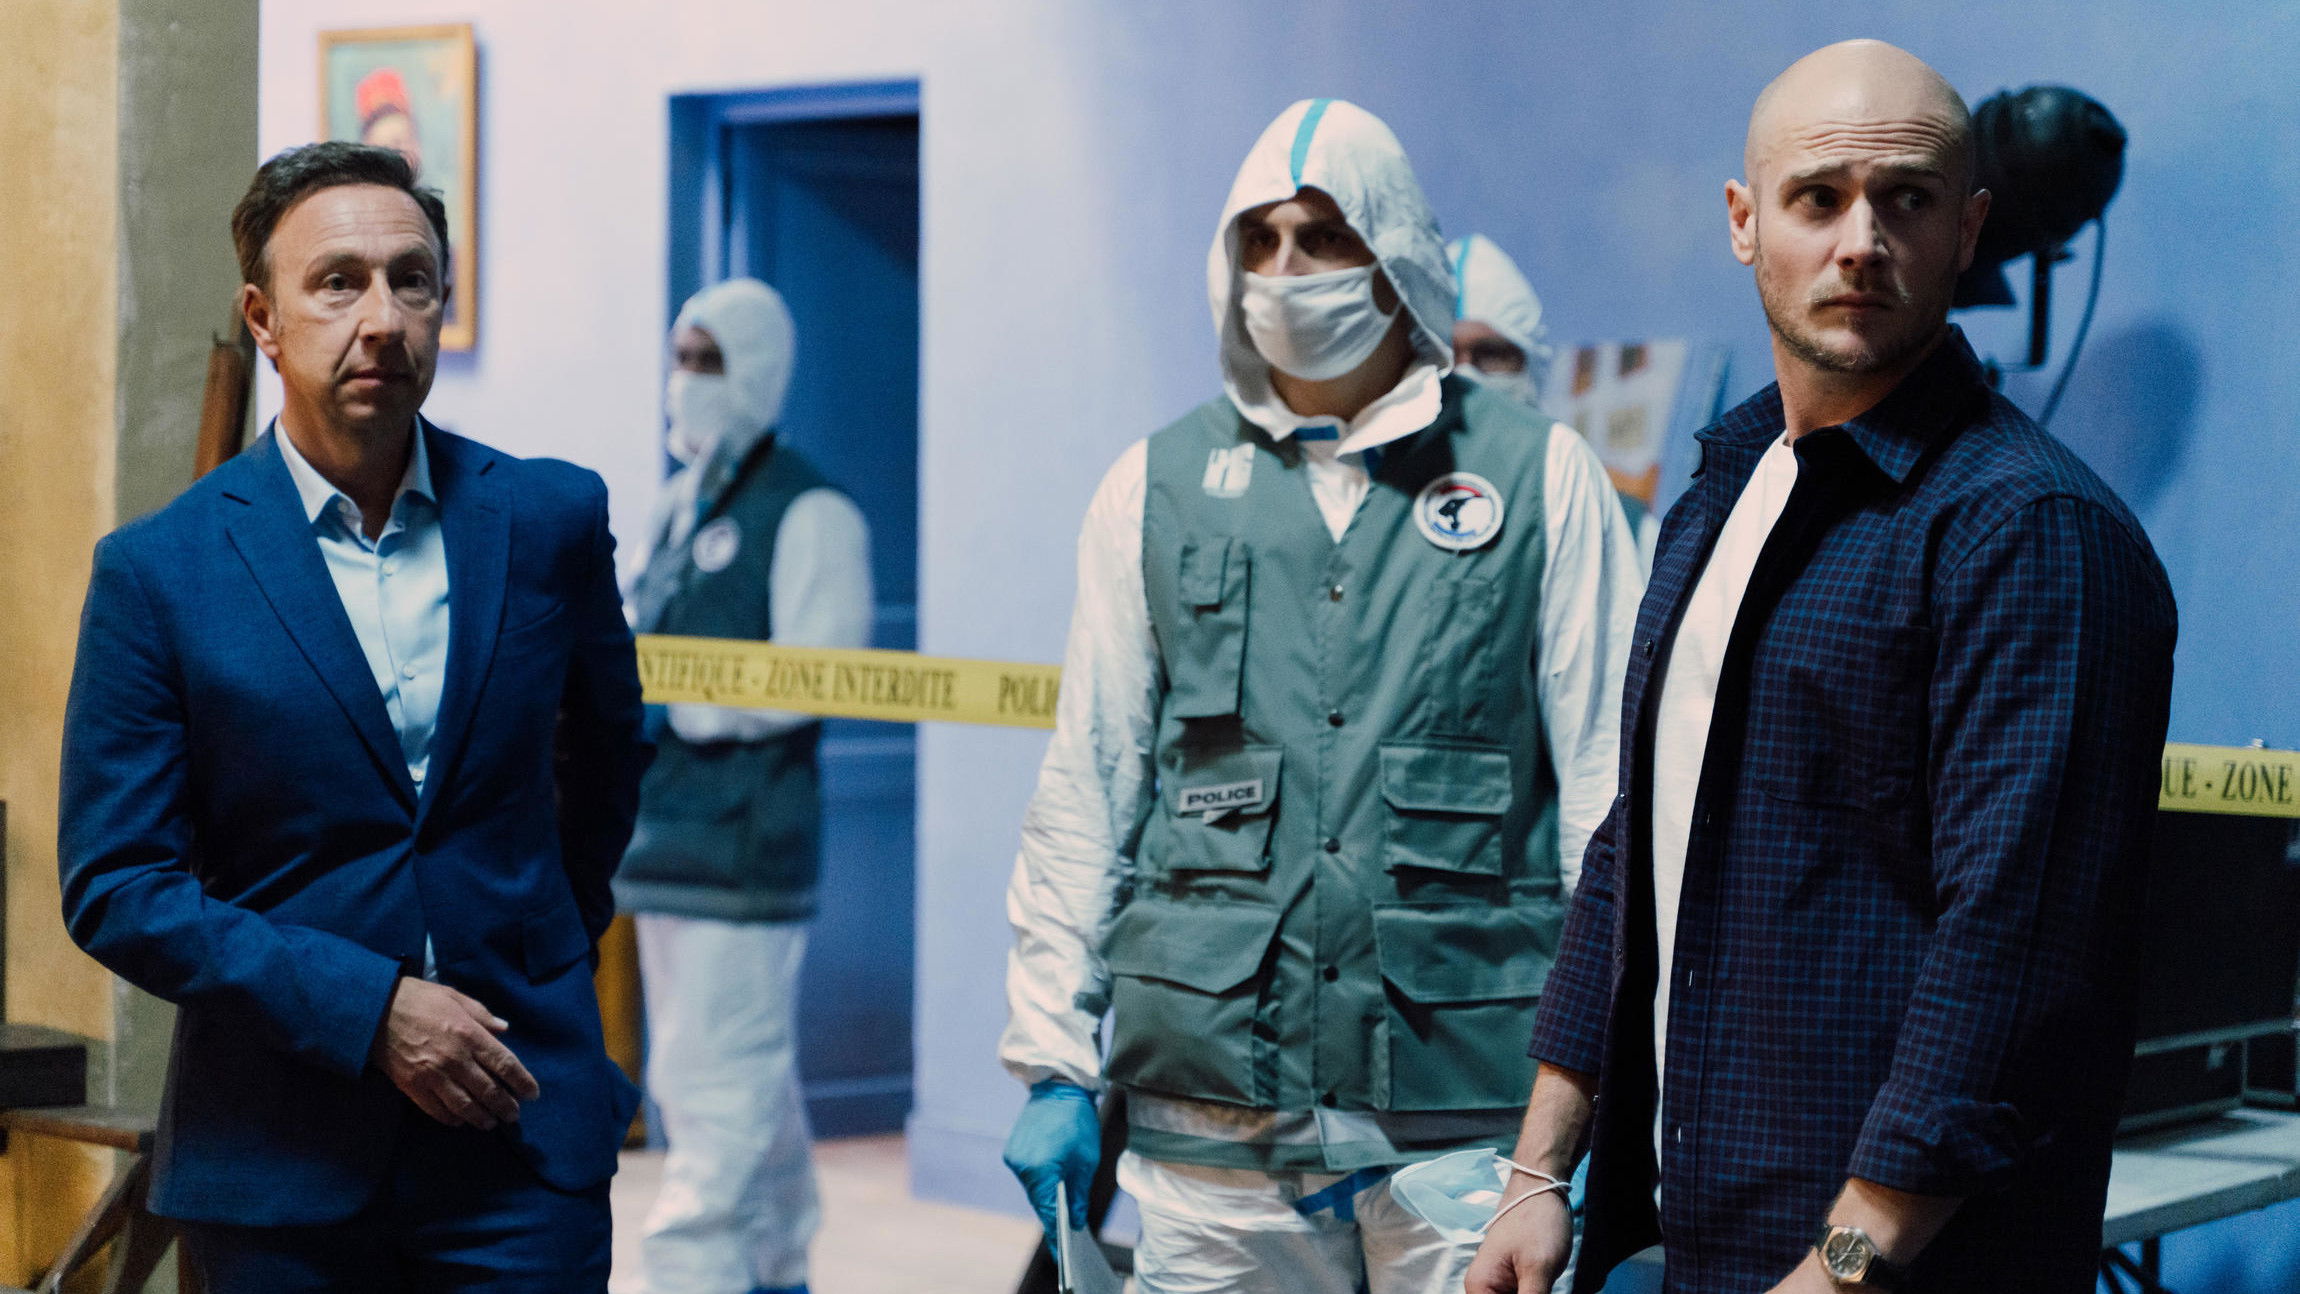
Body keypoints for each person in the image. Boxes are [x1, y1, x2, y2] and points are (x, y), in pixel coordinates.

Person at [1469, 40, 2178, 1294]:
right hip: (1687, 1234)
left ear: (1966, 231)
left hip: (1888, 1271)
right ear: (1743, 222)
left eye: (1903, 200)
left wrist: (1838, 1268)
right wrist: (1537, 1173)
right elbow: (1634, 847)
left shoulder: (2033, 532)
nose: (1860, 241)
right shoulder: (1717, 493)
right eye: (1816, 198)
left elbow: (2012, 960)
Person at [999, 99, 1640, 1294]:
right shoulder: (1154, 486)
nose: (1287, 270)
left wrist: (1595, 1101)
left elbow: (1612, 811)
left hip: (1468, 1117)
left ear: (1391, 251)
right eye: (1261, 240)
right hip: (1213, 1118)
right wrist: (1050, 1056)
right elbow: (1088, 788)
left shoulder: (1540, 479)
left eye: (1323, 237)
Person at [58, 141, 651, 1289]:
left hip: (520, 1145)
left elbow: (608, 759)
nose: (380, 318)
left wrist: (539, 938)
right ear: (264, 319)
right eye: (337, 283)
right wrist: (369, 1008)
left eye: (410, 280)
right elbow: (118, 884)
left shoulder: (549, 520)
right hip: (279, 1160)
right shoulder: (161, 571)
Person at [617, 277, 874, 1294]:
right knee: (721, 1072)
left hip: (746, 846)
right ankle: (774, 1262)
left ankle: (695, 1271)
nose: (686, 380)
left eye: (708, 360)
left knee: (717, 1081)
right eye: (679, 357)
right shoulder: (676, 504)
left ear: (758, 370)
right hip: (661, 838)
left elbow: (825, 669)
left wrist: (692, 697)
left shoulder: (810, 510)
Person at [1449, 232, 1662, 574]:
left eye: (1490, 355)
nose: (1463, 376)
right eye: (1442, 355)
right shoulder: (1374, 516)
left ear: (1531, 368)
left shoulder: (1616, 528)